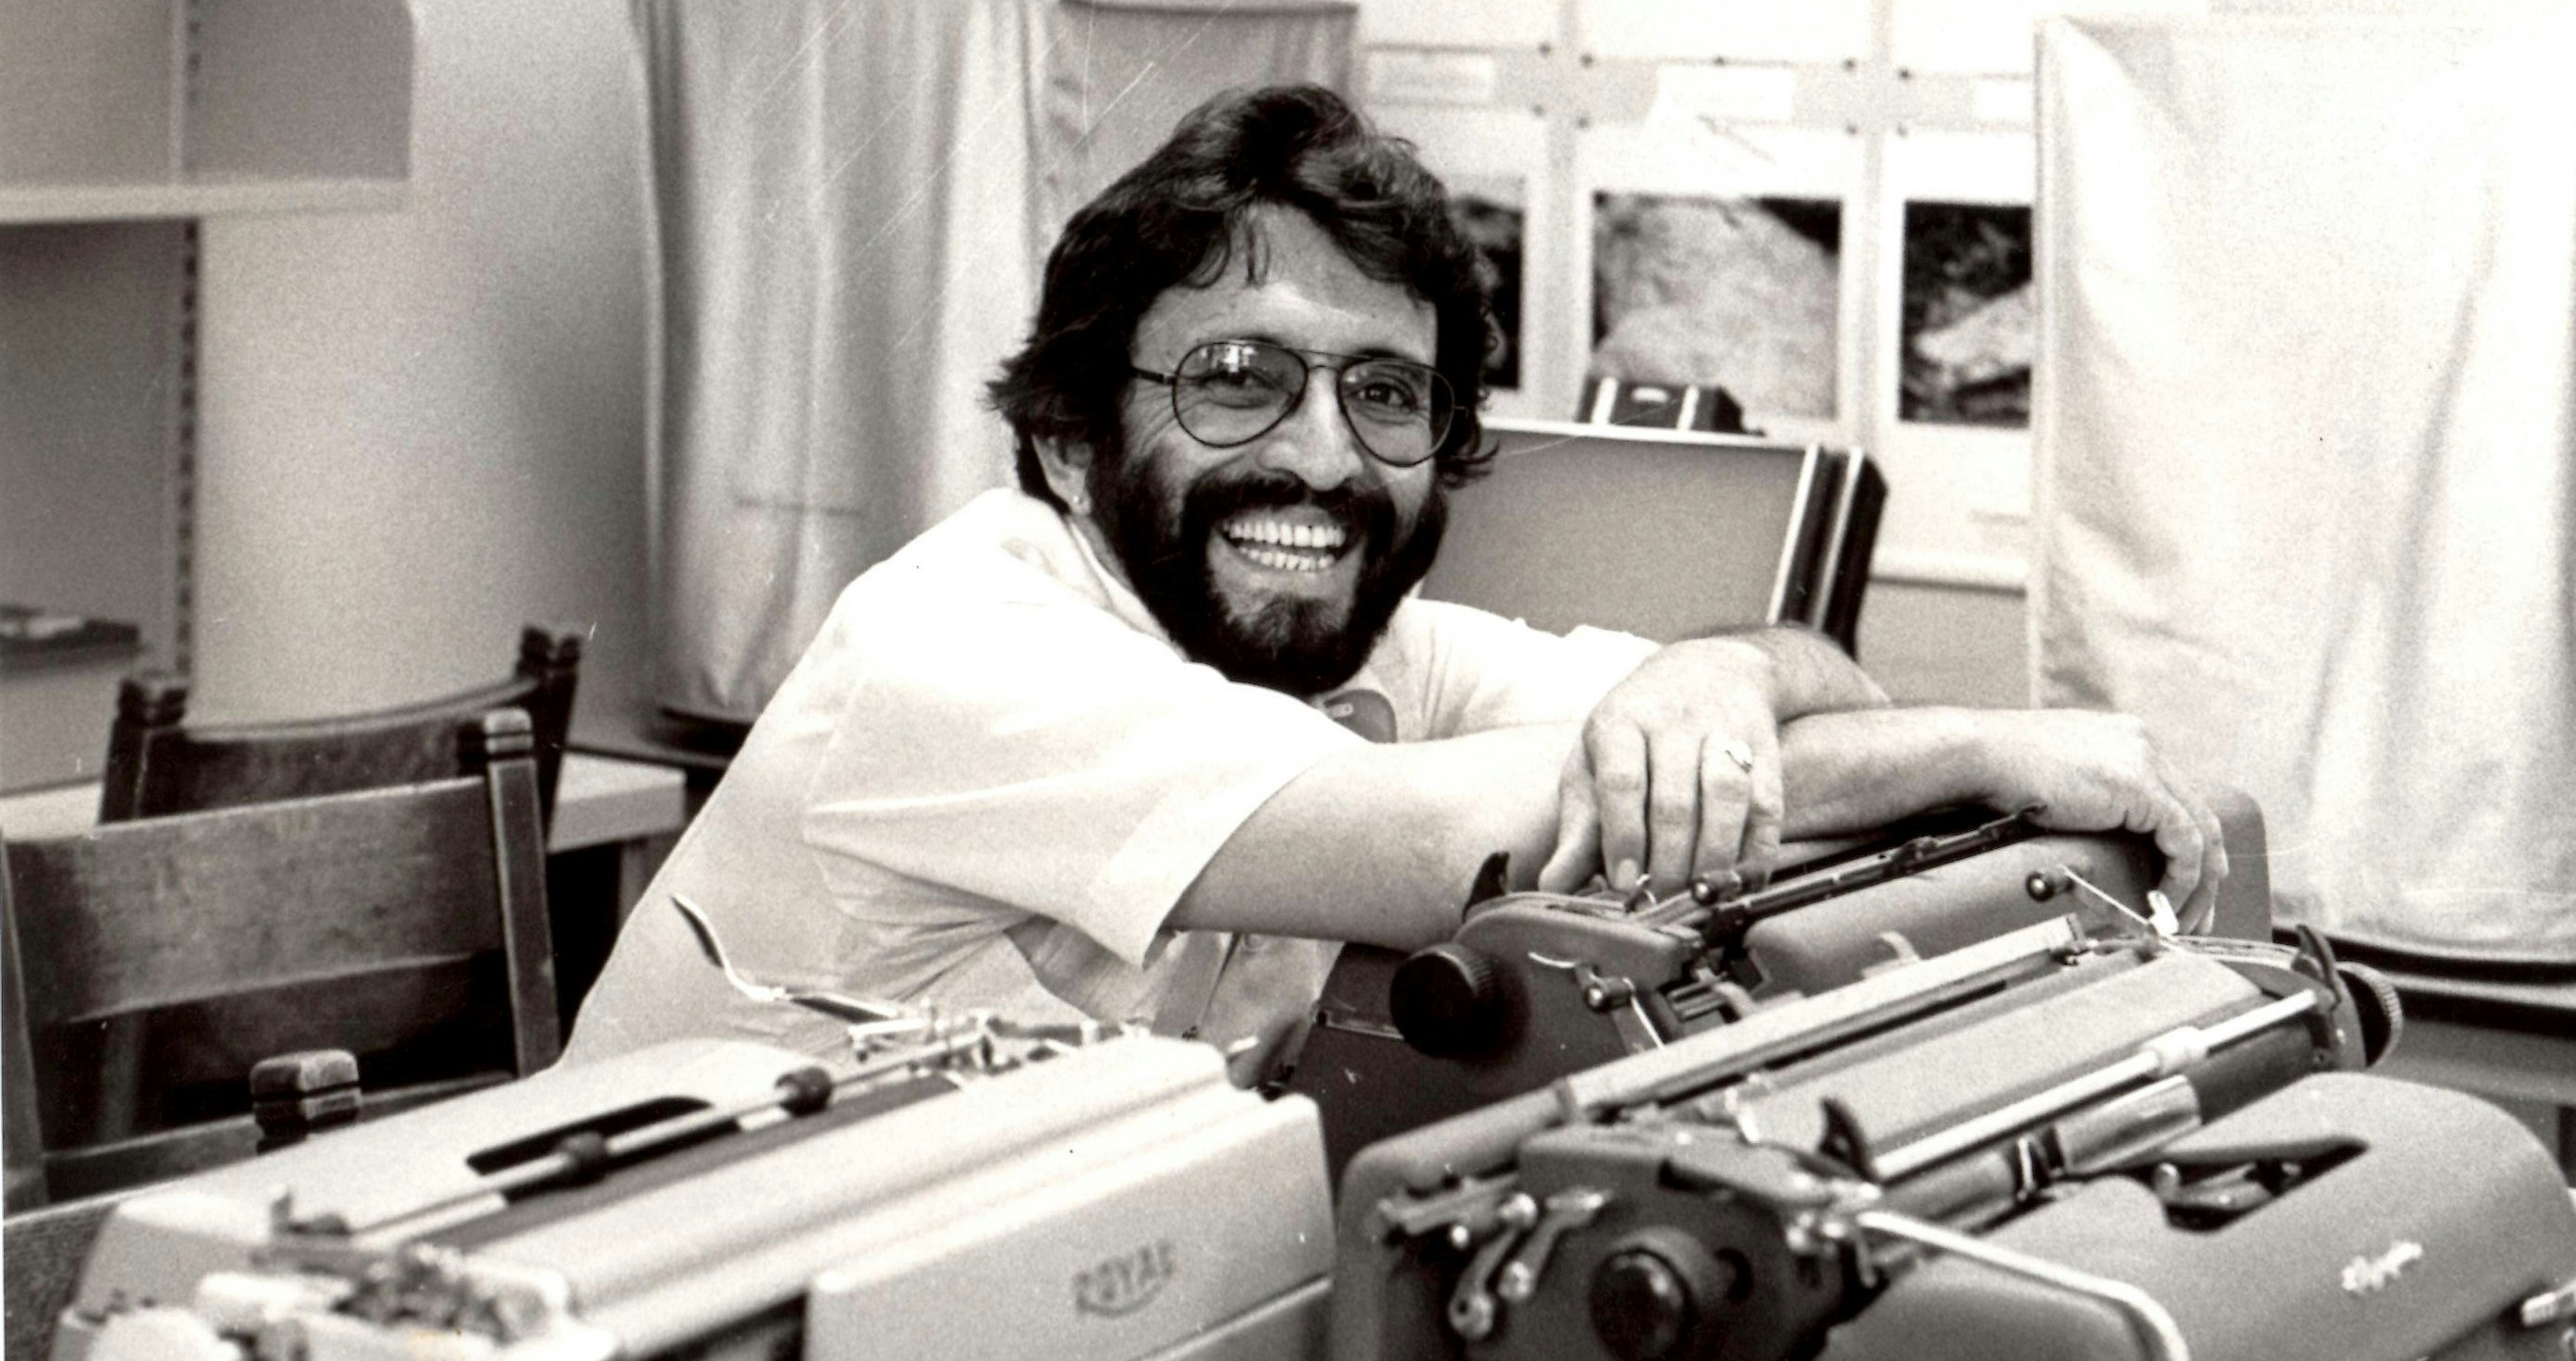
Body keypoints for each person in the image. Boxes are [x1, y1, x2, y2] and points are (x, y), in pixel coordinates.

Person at [564, 86, 2223, 1070]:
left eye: (1385, 394)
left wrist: (1719, 675)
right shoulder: (959, 647)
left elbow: (1811, 701)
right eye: (1234, 378)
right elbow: (1454, 844)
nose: (1323, 458)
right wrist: (1981, 742)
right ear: (1070, 436)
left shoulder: (1371, 653)